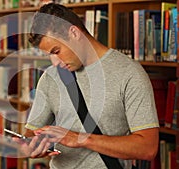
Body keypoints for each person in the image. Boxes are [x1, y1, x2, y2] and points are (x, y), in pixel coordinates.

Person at [15, 3, 159, 169]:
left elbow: (148, 148)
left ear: (74, 32)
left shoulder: (129, 73)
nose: (54, 62)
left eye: (56, 51)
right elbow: (32, 131)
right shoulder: (50, 78)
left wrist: (80, 139)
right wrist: (28, 145)